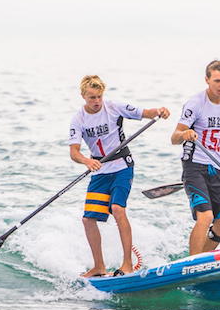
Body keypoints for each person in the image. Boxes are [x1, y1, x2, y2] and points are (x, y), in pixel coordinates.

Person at [70, 75, 169, 277]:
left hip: (122, 166)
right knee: (88, 220)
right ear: (82, 96)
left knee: (117, 208)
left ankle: (127, 264)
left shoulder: (114, 107)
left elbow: (146, 113)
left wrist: (158, 111)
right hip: (100, 171)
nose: (96, 101)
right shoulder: (78, 119)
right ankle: (99, 267)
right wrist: (87, 161)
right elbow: (74, 152)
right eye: (91, 98)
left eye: (99, 96)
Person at [170, 60, 220, 255]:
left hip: (217, 168)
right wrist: (184, 134)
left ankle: (201, 259)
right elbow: (174, 138)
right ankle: (192, 262)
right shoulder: (196, 103)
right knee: (205, 217)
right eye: (216, 81)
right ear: (207, 80)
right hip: (194, 166)